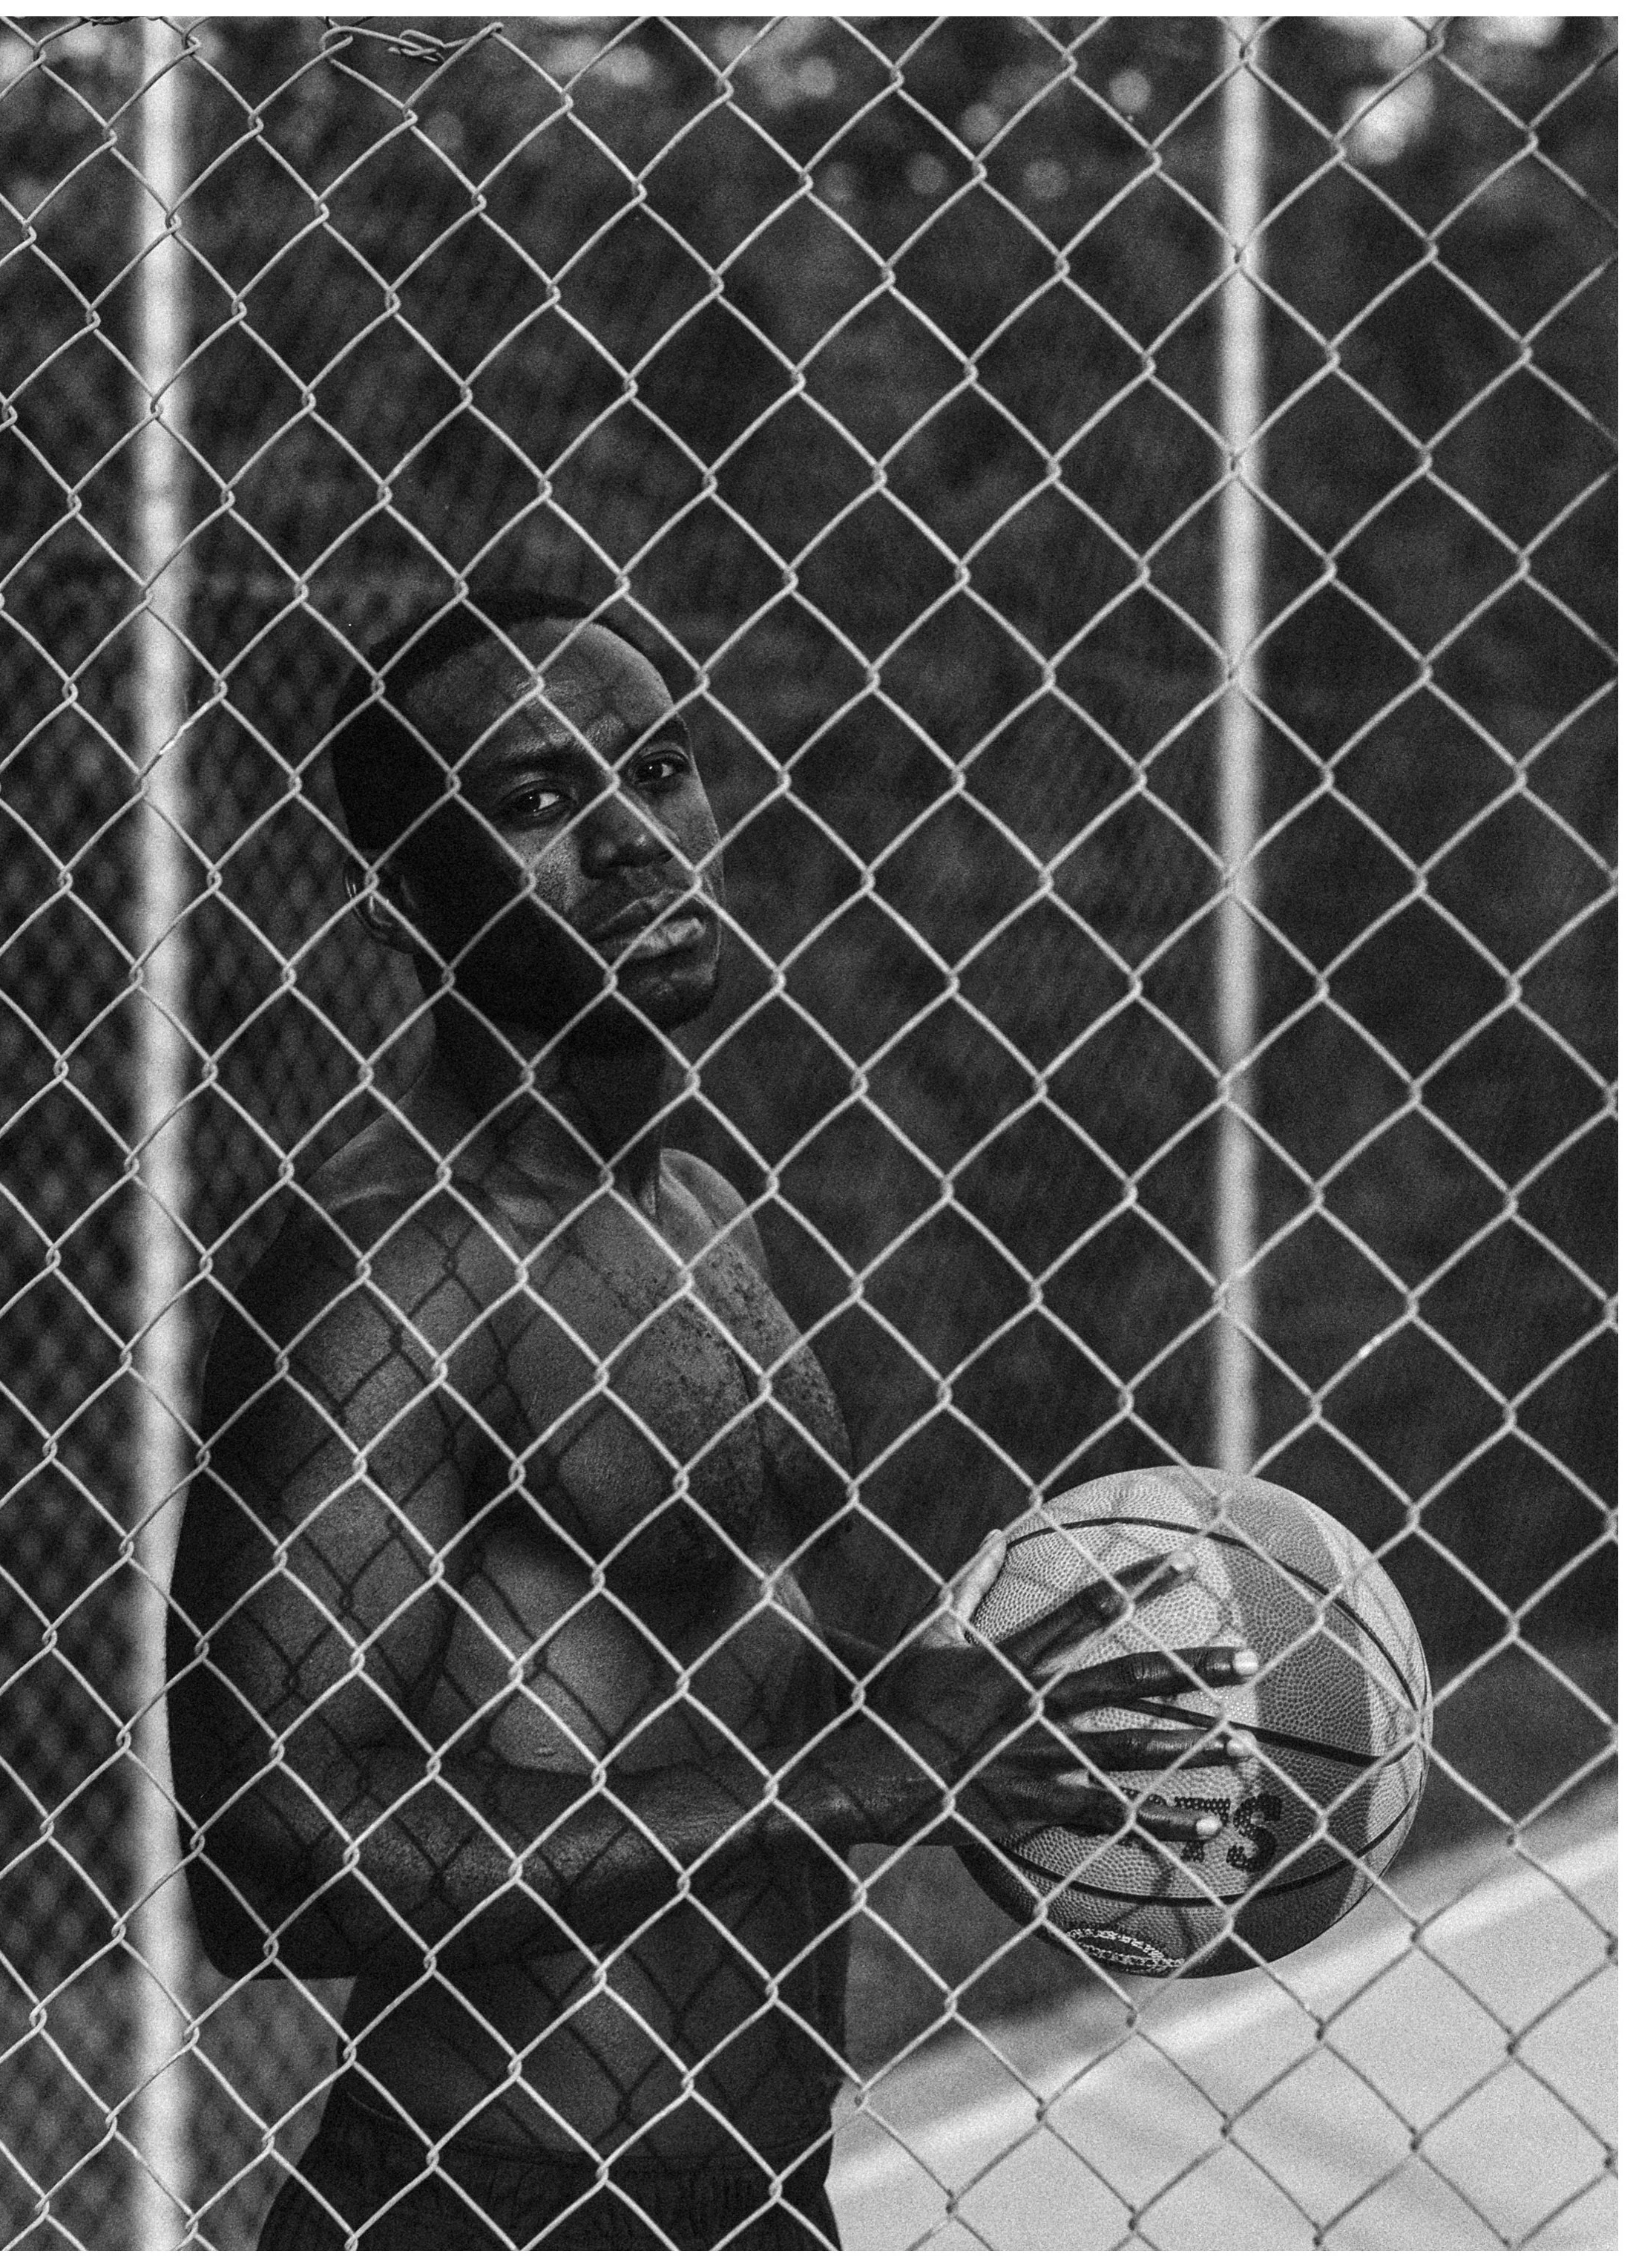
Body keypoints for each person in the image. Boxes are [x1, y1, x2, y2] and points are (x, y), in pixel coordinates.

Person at [165, 592, 1256, 2249]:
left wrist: (971, 1713)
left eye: (659, 768)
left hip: (757, 2188)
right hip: (498, 2201)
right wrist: (835, 1779)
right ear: (404, 897)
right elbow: (262, 1849)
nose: (633, 840)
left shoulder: (700, 1211)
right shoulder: (401, 1264)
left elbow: (682, 1670)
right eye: (534, 803)